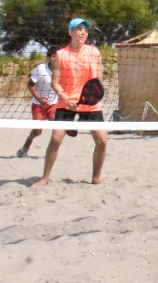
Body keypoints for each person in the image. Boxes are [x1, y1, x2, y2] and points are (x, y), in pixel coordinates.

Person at [34, 18, 107, 186]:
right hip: (66, 103)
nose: (83, 32)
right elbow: (55, 82)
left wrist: (91, 96)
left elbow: (97, 80)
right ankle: (45, 178)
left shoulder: (94, 52)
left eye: (85, 30)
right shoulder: (60, 55)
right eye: (79, 29)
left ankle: (96, 177)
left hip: (89, 103)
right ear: (70, 32)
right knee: (56, 139)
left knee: (102, 141)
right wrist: (66, 99)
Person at [17, 47, 58, 158]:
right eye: (53, 56)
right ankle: (25, 147)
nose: (56, 58)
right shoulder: (41, 69)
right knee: (37, 131)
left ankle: (51, 153)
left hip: (54, 104)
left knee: (57, 129)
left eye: (57, 56)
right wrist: (39, 98)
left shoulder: (62, 70)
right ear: (49, 57)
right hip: (39, 104)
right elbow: (30, 85)